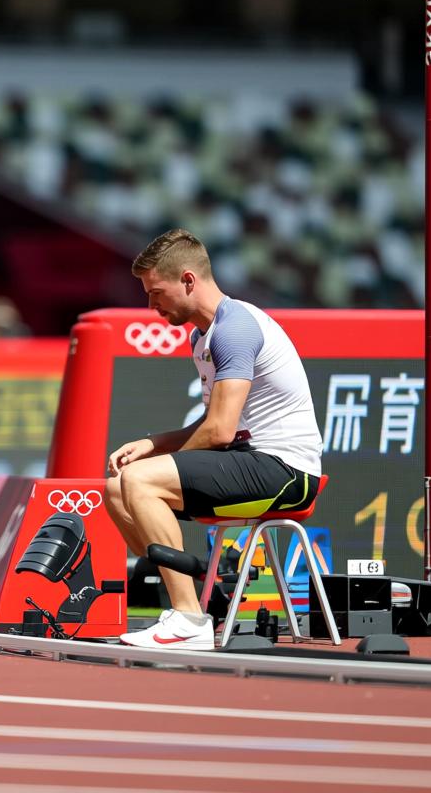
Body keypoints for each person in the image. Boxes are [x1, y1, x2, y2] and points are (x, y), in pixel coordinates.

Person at [104, 229, 322, 650]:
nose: (151, 306)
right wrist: (154, 444)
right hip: (248, 459)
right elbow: (216, 424)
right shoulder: (202, 336)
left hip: (286, 471)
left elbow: (219, 432)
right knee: (116, 489)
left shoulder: (234, 329)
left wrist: (155, 466)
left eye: (156, 293)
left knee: (139, 482)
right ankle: (214, 600)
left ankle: (188, 619)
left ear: (188, 280)